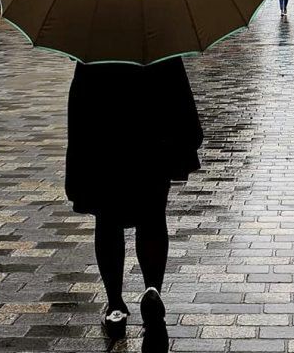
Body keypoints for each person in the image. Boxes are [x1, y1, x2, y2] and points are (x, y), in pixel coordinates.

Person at [66, 57, 202, 349]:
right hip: (153, 145)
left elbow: (79, 104)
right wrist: (187, 138)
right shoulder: (160, 36)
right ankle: (152, 289)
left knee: (108, 221)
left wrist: (78, 154)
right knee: (152, 218)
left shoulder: (93, 42)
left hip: (105, 146)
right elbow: (179, 92)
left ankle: (115, 305)